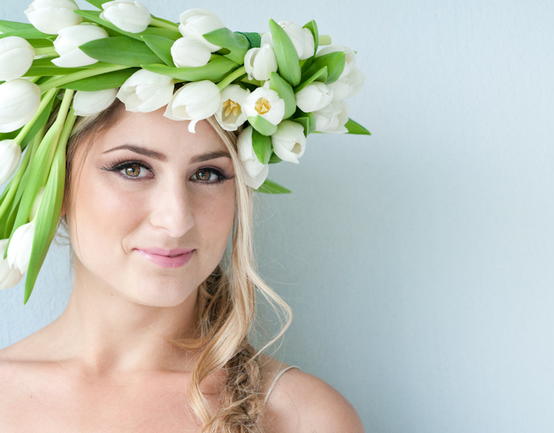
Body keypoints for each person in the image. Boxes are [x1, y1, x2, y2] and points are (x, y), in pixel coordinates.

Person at [0, 94, 365, 432]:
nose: (176, 220)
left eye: (207, 174)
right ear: (53, 185)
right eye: (133, 168)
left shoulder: (302, 417)